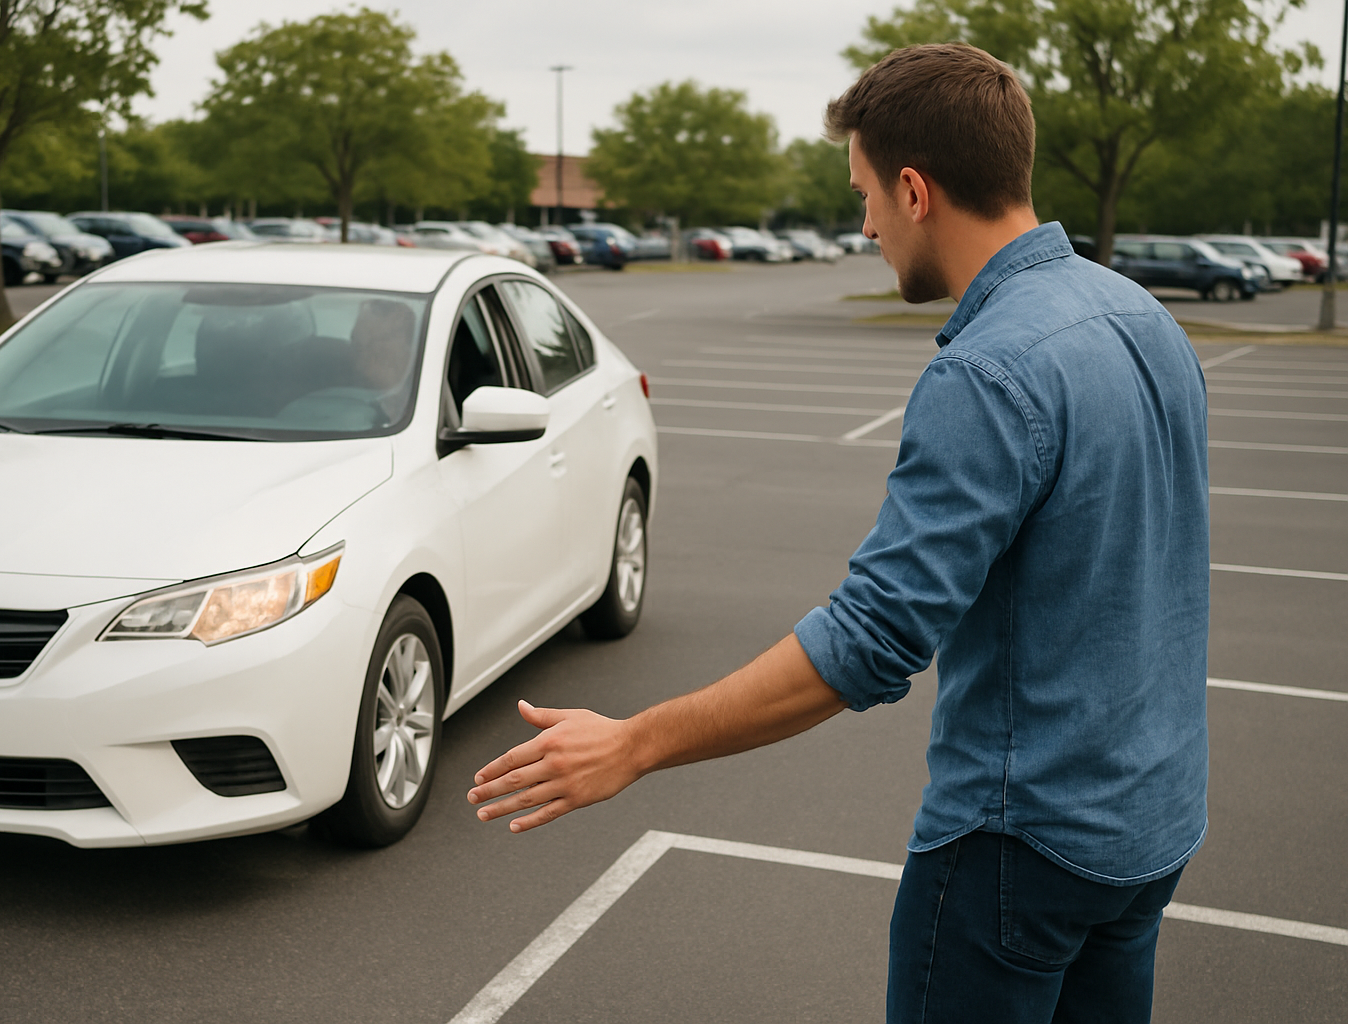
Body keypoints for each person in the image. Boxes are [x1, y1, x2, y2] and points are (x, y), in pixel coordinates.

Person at [467, 42, 1209, 1024]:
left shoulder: (988, 374)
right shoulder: (1142, 319)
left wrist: (637, 743)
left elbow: (871, 641)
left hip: (1017, 852)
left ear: (914, 189)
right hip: (1150, 829)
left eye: (861, 193)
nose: (861, 224)